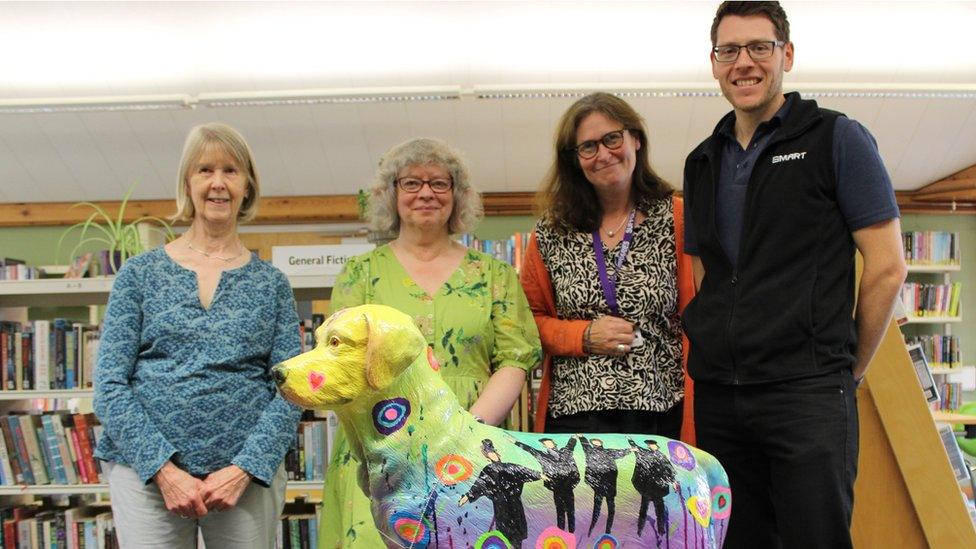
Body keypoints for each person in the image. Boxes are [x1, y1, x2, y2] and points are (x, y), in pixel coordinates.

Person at [682, 3, 908, 548]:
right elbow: (705, 270)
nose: (744, 62)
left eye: (759, 46)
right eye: (729, 50)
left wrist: (844, 370)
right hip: (720, 395)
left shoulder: (836, 139)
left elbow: (887, 267)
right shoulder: (702, 160)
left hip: (806, 394)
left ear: (786, 54)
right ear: (714, 63)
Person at [320, 137, 543, 548]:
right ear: (391, 195)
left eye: (440, 183)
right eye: (411, 183)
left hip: (477, 445)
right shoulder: (359, 274)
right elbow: (341, 365)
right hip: (382, 454)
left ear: (458, 197)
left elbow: (515, 359)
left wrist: (467, 433)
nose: (426, 192)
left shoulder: (494, 275)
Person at [93, 123, 303, 548]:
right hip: (146, 478)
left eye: (231, 170)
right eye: (205, 170)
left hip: (244, 483)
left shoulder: (272, 284)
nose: (218, 183)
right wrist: (164, 471)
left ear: (248, 186)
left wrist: (245, 468)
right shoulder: (139, 274)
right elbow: (110, 385)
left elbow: (292, 389)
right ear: (187, 183)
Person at [521, 92, 697, 441]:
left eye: (612, 138)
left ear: (636, 139)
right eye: (587, 147)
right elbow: (528, 323)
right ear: (575, 160)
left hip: (660, 411)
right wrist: (583, 336)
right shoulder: (551, 231)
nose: (602, 154)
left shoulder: (678, 217)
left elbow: (701, 313)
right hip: (574, 415)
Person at [458, 439, 545, 549]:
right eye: (489, 453)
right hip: (501, 506)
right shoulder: (488, 470)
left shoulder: (509, 466)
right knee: (504, 535)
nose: (493, 455)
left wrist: (539, 475)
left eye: (493, 452)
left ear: (497, 453)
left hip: (515, 505)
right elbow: (478, 485)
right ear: (487, 456)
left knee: (517, 535)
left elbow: (524, 471)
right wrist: (466, 497)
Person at [513, 437, 580, 532]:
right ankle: (561, 532)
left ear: (554, 443)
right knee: (560, 511)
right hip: (557, 487)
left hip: (568, 485)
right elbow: (530, 450)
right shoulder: (543, 456)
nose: (549, 444)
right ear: (544, 446)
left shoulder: (565, 452)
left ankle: (571, 532)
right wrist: (516, 442)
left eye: (549, 442)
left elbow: (571, 445)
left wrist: (573, 437)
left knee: (570, 511)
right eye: (546, 444)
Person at [578, 436, 631, 536]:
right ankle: (593, 527)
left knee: (611, 507)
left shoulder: (608, 452)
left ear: (601, 442)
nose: (595, 443)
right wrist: (582, 438)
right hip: (598, 484)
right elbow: (585, 445)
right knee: (597, 506)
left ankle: (608, 530)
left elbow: (619, 452)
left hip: (609, 483)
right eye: (594, 442)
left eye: (597, 441)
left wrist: (630, 450)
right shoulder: (590, 451)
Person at [627, 439, 676, 538]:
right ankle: (640, 529)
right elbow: (638, 449)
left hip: (658, 489)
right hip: (647, 488)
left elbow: (669, 470)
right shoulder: (646, 454)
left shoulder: (662, 456)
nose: (650, 446)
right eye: (649, 445)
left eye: (652, 445)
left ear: (656, 446)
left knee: (660, 510)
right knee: (643, 509)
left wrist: (673, 482)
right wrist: (631, 441)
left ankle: (661, 530)